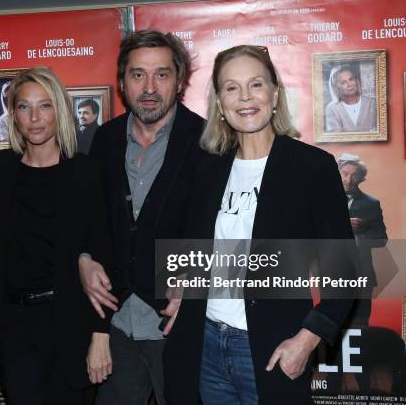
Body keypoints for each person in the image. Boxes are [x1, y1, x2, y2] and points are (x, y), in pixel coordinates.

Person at [164, 45, 355, 405]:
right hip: (205, 345)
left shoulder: (311, 168)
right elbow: (196, 248)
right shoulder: (207, 169)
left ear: (275, 94)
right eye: (231, 88)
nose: (245, 97)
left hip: (270, 350)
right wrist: (182, 290)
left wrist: (307, 340)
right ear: (220, 102)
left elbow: (342, 273)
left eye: (256, 84)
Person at [78, 29, 207, 405]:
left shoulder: (208, 140)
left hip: (178, 326)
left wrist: (198, 277)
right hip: (116, 326)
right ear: (122, 82)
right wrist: (82, 260)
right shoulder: (102, 140)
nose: (149, 87)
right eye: (138, 75)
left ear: (180, 80)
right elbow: (88, 221)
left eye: (162, 74)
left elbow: (224, 225)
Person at [0, 68, 113, 404]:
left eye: (45, 106)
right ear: (13, 115)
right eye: (24, 107)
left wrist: (100, 334)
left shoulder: (85, 172)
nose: (35, 118)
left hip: (70, 323)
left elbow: (103, 255)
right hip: (14, 328)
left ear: (60, 110)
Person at [338, 152, 388, 325]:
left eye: (354, 175)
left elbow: (382, 240)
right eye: (344, 173)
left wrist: (360, 234)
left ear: (361, 179)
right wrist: (342, 224)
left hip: (362, 273)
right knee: (332, 322)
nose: (349, 180)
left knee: (360, 321)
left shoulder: (371, 204)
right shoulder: (321, 200)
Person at [325, 64, 377, 133]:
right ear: (335, 87)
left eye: (351, 79)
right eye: (343, 83)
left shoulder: (372, 103)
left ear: (356, 80)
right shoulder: (332, 108)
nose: (350, 85)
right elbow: (335, 138)